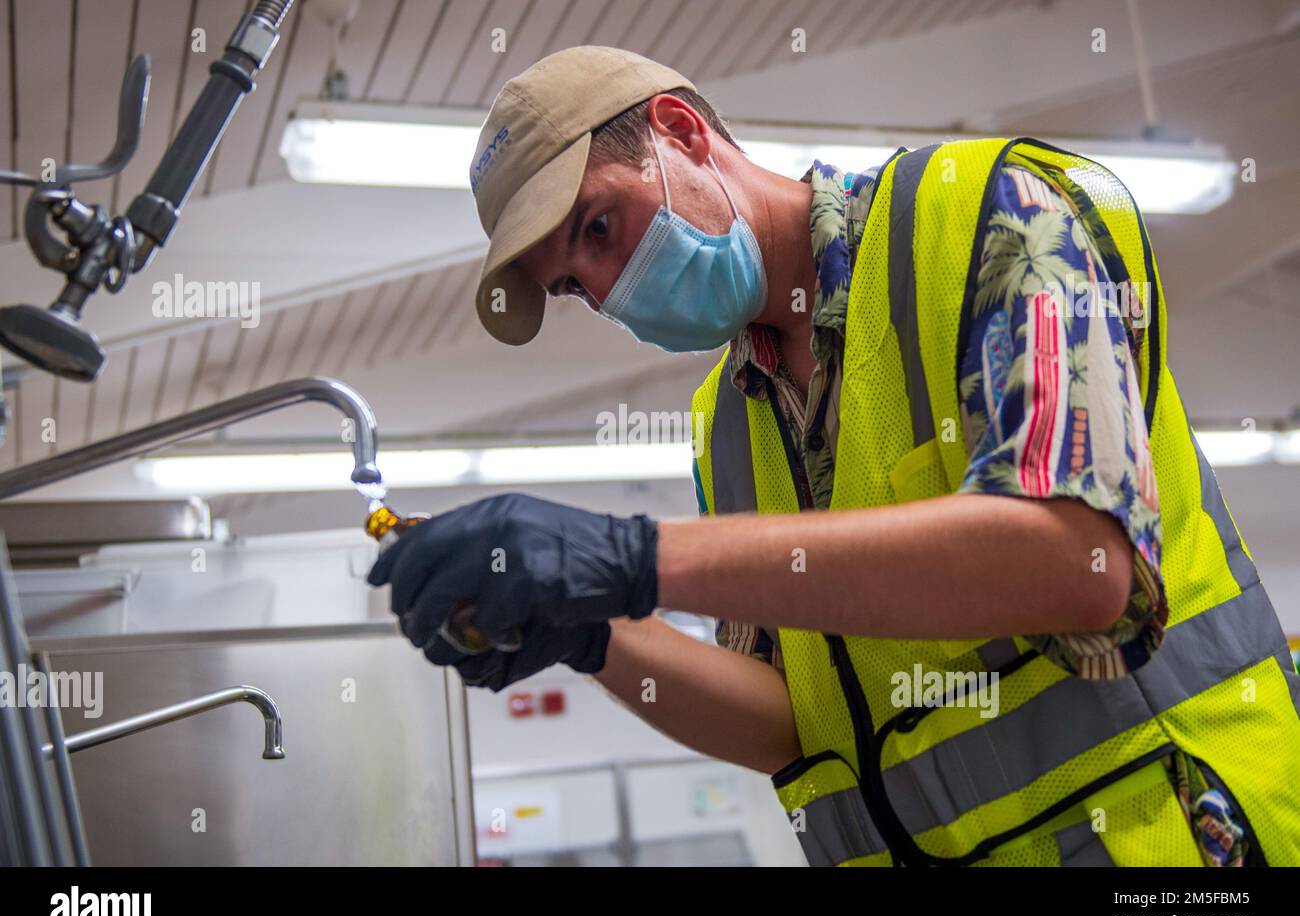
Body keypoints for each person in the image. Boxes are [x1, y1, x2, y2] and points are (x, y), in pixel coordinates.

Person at [367, 46, 1300, 867]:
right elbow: (789, 723)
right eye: (575, 284)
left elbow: (1079, 561)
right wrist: (595, 630)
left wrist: (631, 557)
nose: (608, 291)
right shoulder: (727, 423)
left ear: (683, 132)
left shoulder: (989, 215)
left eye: (600, 229)